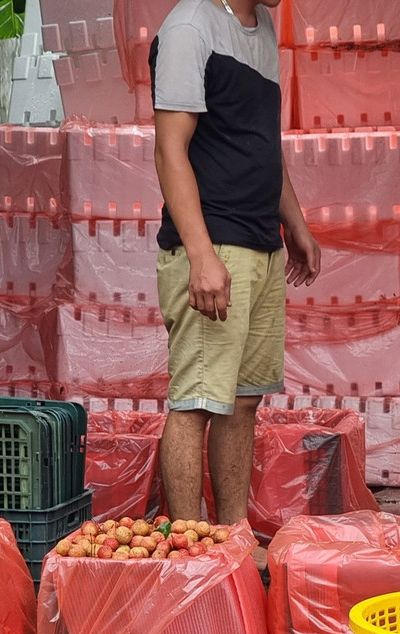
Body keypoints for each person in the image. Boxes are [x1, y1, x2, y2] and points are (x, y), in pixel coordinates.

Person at [151, 0, 321, 523]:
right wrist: (200, 254)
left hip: (259, 245)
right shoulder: (188, 28)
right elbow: (169, 149)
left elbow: (261, 142)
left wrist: (293, 222)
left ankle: (232, 534)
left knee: (242, 401)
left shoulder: (262, 27)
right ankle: (189, 547)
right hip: (214, 245)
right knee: (197, 401)